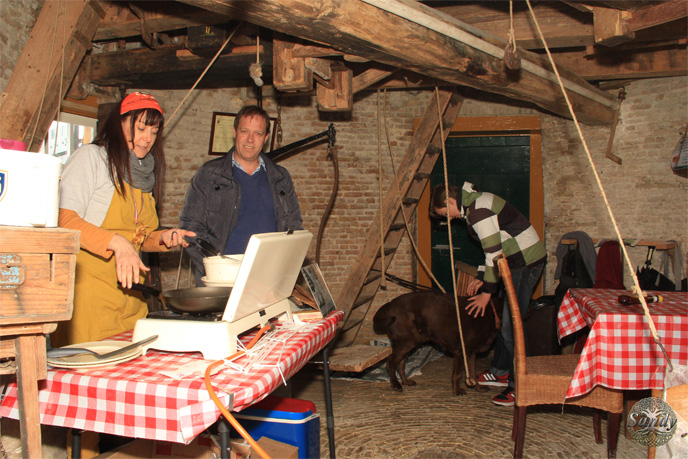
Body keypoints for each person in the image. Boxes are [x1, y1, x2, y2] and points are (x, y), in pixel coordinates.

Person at [53, 92, 195, 347]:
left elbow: (139, 237)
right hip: (89, 292)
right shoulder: (91, 158)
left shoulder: (143, 172)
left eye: (153, 132)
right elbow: (64, 219)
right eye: (140, 128)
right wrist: (116, 242)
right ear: (120, 124)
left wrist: (162, 238)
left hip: (130, 293)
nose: (147, 139)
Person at [429, 182, 546, 407]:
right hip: (512, 260)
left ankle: (521, 385)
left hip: (524, 262)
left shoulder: (478, 211)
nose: (450, 218)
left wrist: (487, 292)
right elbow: (492, 245)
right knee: (503, 321)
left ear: (449, 201)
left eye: (447, 213)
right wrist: (482, 276)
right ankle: (501, 371)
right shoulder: (475, 204)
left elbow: (494, 252)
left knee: (513, 326)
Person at [180, 105, 303, 285]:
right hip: (221, 280)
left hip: (266, 279)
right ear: (234, 132)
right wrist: (215, 269)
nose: (250, 140)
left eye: (258, 133)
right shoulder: (209, 174)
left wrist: (283, 270)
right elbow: (190, 229)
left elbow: (293, 227)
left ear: (266, 138)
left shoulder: (280, 177)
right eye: (244, 131)